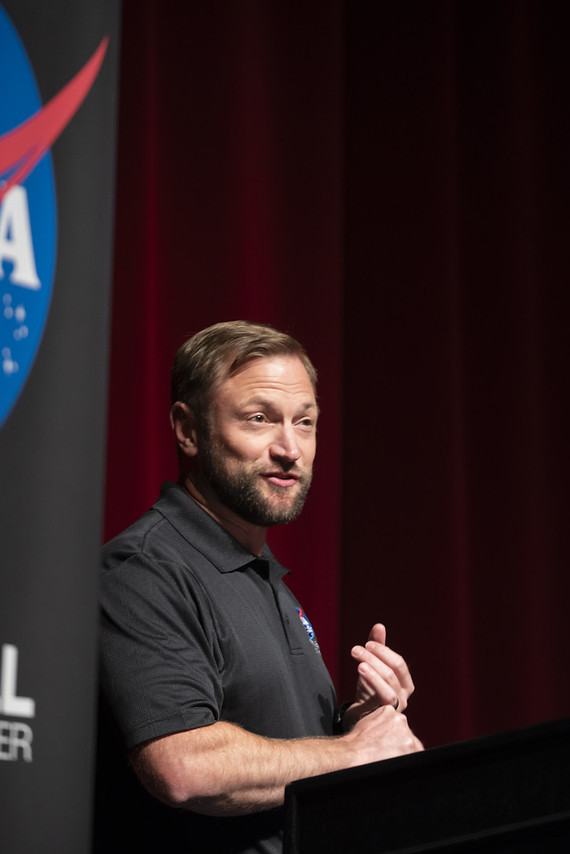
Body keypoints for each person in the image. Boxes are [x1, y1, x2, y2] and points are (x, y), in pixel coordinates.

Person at [94, 320, 422, 853]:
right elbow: (183, 766)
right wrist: (353, 752)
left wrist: (357, 723)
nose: (290, 448)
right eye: (259, 419)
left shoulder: (263, 575)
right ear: (188, 429)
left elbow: (287, 762)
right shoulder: (144, 569)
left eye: (306, 422)